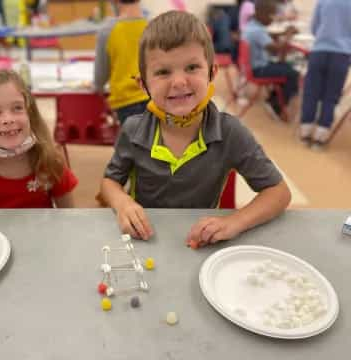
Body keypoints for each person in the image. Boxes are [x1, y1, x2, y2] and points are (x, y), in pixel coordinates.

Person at [99, 10, 291, 247]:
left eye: (192, 67)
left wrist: (235, 222)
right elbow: (110, 182)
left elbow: (279, 193)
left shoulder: (230, 131)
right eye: (162, 72)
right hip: (145, 242)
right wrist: (122, 203)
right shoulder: (133, 129)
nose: (179, 82)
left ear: (212, 72)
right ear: (143, 84)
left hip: (201, 244)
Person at [0, 69, 78, 208]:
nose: (8, 119)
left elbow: (69, 217)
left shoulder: (51, 162)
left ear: (30, 115)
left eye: (17, 108)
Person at [299, 0, 351, 146]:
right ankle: (320, 137)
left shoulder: (323, 1)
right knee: (331, 96)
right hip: (342, 54)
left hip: (319, 51)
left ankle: (305, 131)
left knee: (311, 92)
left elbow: (314, 28)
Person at [94, 0, 149, 124]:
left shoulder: (107, 30)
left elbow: (100, 79)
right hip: (153, 99)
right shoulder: (152, 26)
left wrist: (97, 87)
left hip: (125, 103)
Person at [242, 0, 299, 118]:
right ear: (262, 14)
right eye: (272, 15)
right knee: (293, 74)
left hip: (253, 66)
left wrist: (284, 32)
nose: (273, 19)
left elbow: (266, 37)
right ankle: (276, 105)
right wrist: (288, 34)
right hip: (259, 70)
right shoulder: (257, 31)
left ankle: (274, 97)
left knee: (287, 66)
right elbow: (276, 49)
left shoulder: (253, 25)